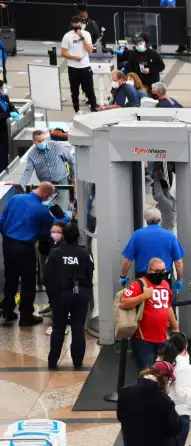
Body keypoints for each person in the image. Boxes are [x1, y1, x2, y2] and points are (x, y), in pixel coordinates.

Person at [0, 183, 71, 325]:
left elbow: (2, 220)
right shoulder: (41, 211)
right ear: (46, 196)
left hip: (7, 243)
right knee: (28, 281)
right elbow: (52, 227)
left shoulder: (16, 198)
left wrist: (7, 235)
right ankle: (26, 316)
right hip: (25, 248)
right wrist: (67, 218)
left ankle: (7, 311)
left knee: (11, 278)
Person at [43, 222, 93, 370]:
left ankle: (53, 361)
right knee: (78, 327)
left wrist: (52, 296)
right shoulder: (84, 253)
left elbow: (47, 277)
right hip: (81, 293)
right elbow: (90, 273)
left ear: (63, 236)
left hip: (61, 294)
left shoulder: (55, 253)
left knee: (58, 327)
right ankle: (77, 362)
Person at [120, 257, 179, 372]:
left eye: (163, 271)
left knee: (164, 371)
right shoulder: (139, 284)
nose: (160, 274)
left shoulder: (165, 285)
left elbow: (167, 307)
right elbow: (123, 303)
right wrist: (143, 296)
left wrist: (176, 328)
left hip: (162, 337)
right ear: (149, 270)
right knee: (146, 372)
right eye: (157, 271)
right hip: (144, 339)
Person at [159, 332, 191, 446]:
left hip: (162, 413)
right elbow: (183, 390)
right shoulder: (183, 367)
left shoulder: (162, 361)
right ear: (186, 347)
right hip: (179, 415)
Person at [121, 207, 185, 285]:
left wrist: (123, 276)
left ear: (146, 219)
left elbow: (128, 260)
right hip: (163, 279)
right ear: (160, 218)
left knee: (143, 297)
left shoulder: (137, 235)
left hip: (143, 280)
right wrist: (179, 279)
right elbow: (178, 262)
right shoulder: (170, 236)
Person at [61, 16, 98, 113]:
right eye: (75, 26)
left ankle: (94, 108)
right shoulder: (67, 36)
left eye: (79, 26)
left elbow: (90, 49)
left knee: (89, 89)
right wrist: (74, 57)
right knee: (74, 91)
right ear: (72, 26)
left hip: (85, 66)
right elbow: (63, 52)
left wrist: (82, 37)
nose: (77, 28)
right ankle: (76, 109)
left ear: (81, 25)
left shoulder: (86, 34)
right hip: (73, 68)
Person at [0, 80, 19, 172]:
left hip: (5, 131)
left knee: (4, 153)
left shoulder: (4, 97)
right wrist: (9, 114)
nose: (5, 89)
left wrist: (14, 111)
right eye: (4, 87)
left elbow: (11, 106)